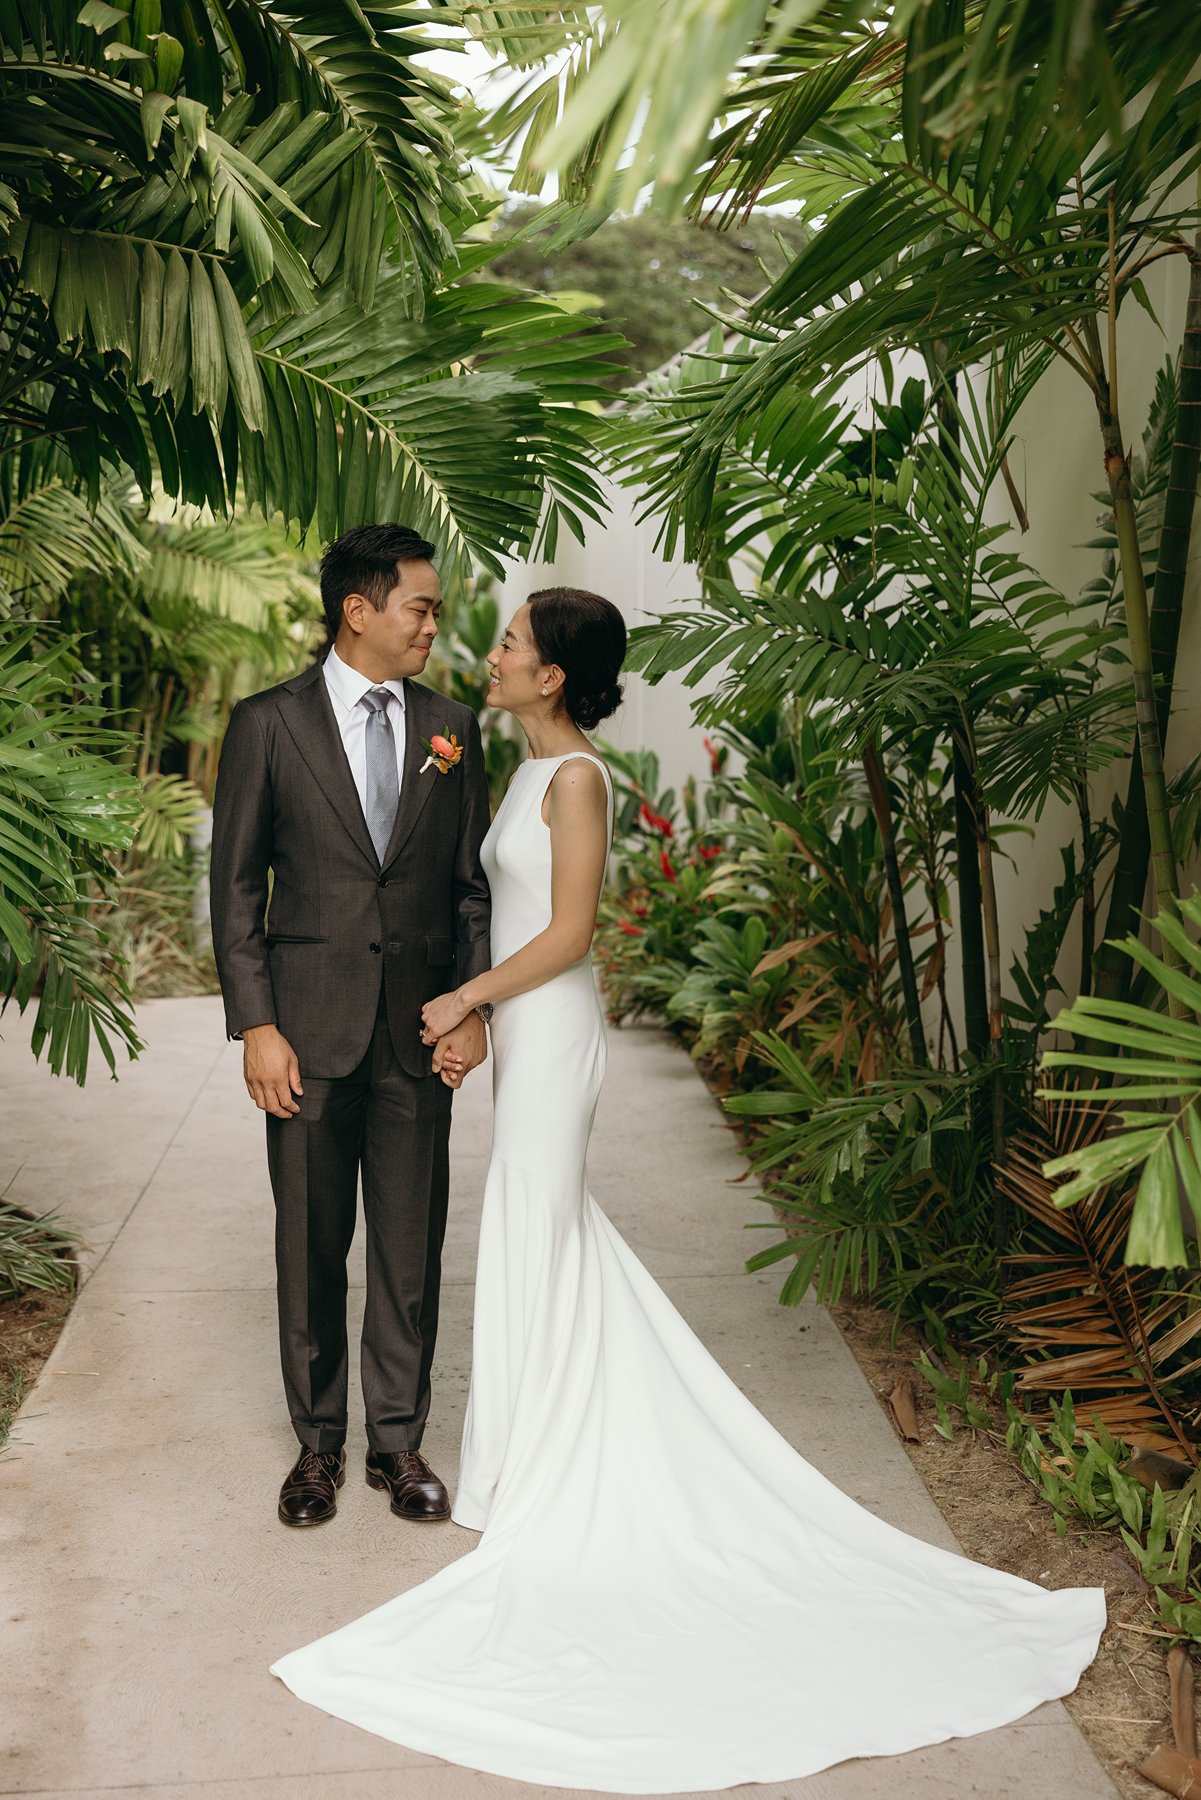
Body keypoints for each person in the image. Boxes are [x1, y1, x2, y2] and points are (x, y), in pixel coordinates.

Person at [270, 587, 1106, 1793]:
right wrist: (476, 1011)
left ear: (553, 676)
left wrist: (467, 1005)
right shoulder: (514, 769)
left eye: (510, 643)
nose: (491, 656)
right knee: (540, 1234)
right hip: (521, 1031)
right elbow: (485, 907)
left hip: (556, 1032)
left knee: (535, 1226)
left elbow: (569, 933)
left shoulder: (576, 785)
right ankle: (522, 1458)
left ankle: (539, 1471)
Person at [209, 524, 491, 1532]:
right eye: (419, 604)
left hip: (417, 1033)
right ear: (358, 610)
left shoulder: (453, 726)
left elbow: (467, 890)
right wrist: (257, 1025)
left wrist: (472, 1008)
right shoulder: (265, 726)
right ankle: (317, 1447)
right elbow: (236, 889)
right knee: (311, 1244)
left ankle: (397, 1442)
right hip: (308, 1032)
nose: (432, 622)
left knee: (409, 1245)